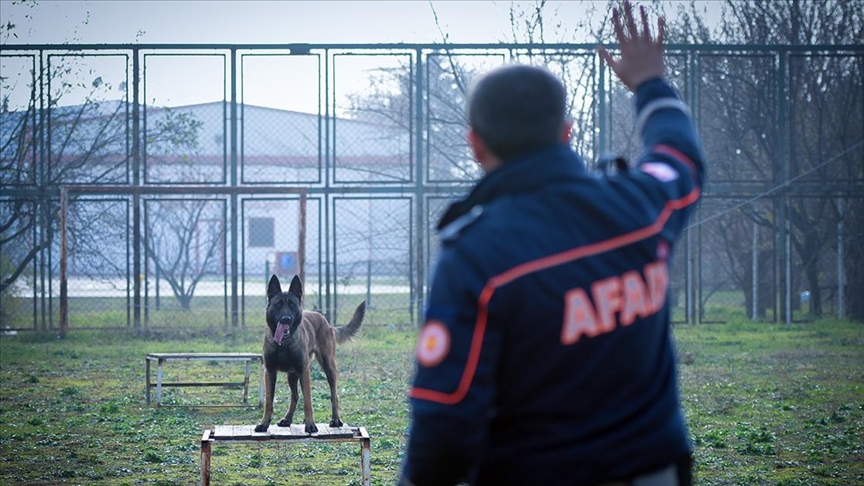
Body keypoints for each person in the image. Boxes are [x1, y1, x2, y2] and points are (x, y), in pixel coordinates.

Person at [399, 1, 704, 485]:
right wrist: (650, 81)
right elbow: (680, 157)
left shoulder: (476, 254)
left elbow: (446, 420)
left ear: (474, 145)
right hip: (654, 470)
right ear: (567, 133)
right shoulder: (639, 206)